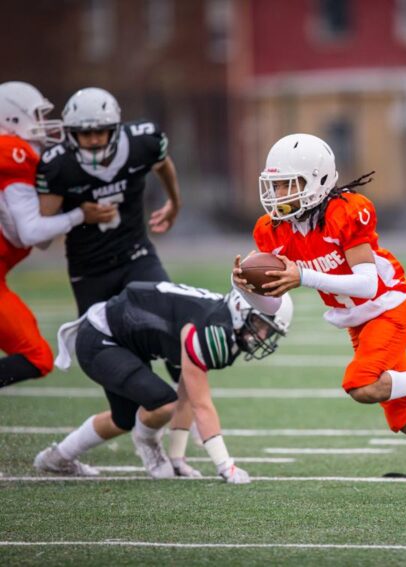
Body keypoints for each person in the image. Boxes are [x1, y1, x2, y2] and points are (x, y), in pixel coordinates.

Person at [233, 133, 406, 499]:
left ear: (318, 180)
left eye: (290, 183)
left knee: (360, 384)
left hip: (389, 308)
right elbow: (272, 305)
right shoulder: (274, 232)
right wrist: (242, 284)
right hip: (359, 322)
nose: (281, 193)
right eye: (276, 184)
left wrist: (302, 276)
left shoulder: (345, 212)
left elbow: (367, 284)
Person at [34, 281, 293, 481]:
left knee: (123, 418)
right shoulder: (210, 329)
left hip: (123, 342)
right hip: (101, 337)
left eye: (269, 330)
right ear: (242, 308)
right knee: (162, 404)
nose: (262, 334)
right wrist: (225, 465)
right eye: (261, 324)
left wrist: (178, 458)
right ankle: (147, 441)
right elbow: (202, 405)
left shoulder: (222, 321)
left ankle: (56, 458)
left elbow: (189, 392)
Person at [0, 81, 115, 389]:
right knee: (37, 356)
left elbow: (38, 238)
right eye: (35, 116)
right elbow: (31, 233)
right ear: (12, 119)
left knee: (37, 355)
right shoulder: (14, 155)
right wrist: (80, 215)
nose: (41, 125)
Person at [36, 86, 181, 316]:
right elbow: (40, 234)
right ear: (72, 134)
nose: (94, 140)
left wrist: (174, 202)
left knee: (168, 313)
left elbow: (163, 164)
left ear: (114, 129)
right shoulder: (59, 165)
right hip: (90, 268)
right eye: (85, 133)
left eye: (101, 131)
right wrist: (79, 216)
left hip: (136, 254)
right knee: (96, 345)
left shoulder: (141, 143)